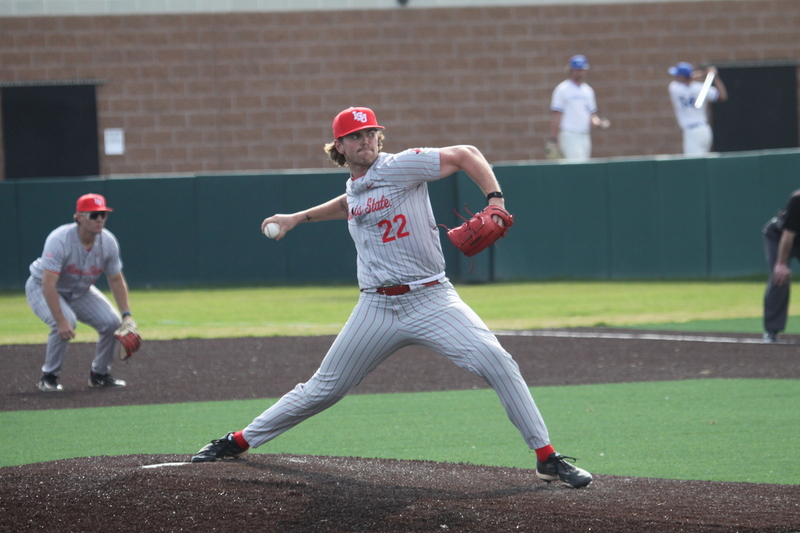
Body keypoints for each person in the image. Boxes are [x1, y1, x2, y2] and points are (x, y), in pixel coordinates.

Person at [191, 106, 593, 489]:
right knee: (322, 389)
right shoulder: (356, 185)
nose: (366, 139)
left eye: (371, 132)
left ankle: (547, 457)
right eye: (355, 136)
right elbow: (350, 203)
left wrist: (495, 200)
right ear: (340, 148)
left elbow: (466, 154)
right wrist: (298, 218)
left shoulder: (401, 165)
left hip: (432, 298)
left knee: (497, 362)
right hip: (377, 308)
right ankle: (239, 440)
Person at [26, 193, 133, 391]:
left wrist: (127, 315)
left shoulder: (108, 242)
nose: (100, 219)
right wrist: (60, 321)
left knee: (112, 322)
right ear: (79, 217)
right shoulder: (59, 239)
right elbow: (49, 283)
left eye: (103, 214)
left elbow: (116, 279)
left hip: (80, 290)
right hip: (42, 287)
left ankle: (99, 375)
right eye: (94, 215)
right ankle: (49, 377)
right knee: (67, 321)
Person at [547, 54, 610, 161]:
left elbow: (591, 115)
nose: (580, 72)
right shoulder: (562, 89)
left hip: (584, 134)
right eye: (577, 70)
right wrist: (553, 138)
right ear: (571, 70)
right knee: (576, 166)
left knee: (584, 165)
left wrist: (598, 123)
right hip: (569, 133)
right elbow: (557, 115)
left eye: (582, 70)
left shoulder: (588, 91)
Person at [762, 189, 800, 343]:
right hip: (779, 237)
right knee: (780, 278)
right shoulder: (797, 200)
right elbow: (788, 235)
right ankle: (771, 331)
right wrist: (781, 264)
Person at [667, 61, 728, 155]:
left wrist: (707, 75)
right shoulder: (694, 88)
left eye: (678, 75)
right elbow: (722, 95)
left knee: (694, 163)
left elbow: (721, 97)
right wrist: (713, 76)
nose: (676, 77)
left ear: (682, 77)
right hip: (704, 130)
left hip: (692, 130)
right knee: (702, 160)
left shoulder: (676, 87)